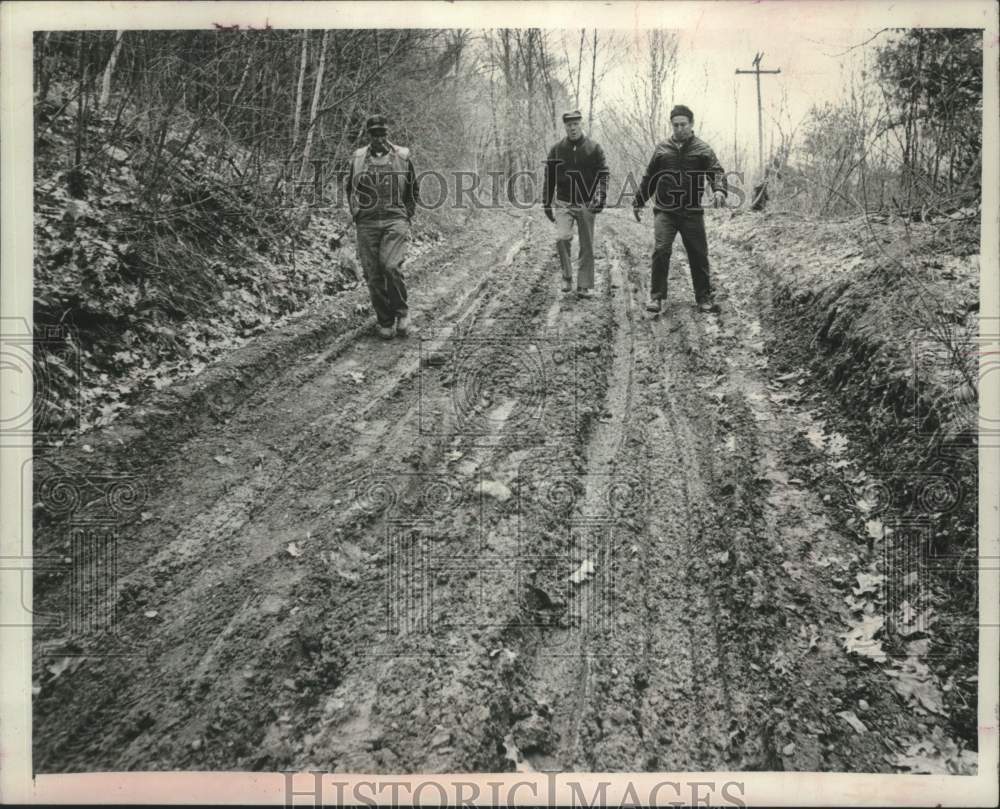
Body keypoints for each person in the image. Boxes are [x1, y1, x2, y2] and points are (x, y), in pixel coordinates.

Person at [632, 104, 728, 314]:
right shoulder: (662, 149)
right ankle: (656, 298)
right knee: (661, 250)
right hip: (665, 210)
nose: (679, 129)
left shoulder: (703, 149)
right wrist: (639, 201)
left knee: (698, 254)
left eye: (683, 124)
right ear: (671, 125)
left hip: (692, 211)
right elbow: (649, 177)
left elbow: (716, 171)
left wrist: (719, 189)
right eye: (675, 125)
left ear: (691, 124)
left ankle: (703, 298)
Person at [346, 114, 419, 339]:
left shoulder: (402, 157)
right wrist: (356, 211)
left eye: (382, 133)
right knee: (373, 274)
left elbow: (413, 190)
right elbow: (350, 189)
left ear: (388, 134)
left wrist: (406, 215)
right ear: (369, 135)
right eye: (374, 134)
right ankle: (385, 320)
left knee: (390, 266)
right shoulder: (358, 158)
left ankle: (402, 313)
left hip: (394, 220)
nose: (379, 138)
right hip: (366, 222)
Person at [543, 110, 609, 299]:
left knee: (587, 244)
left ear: (581, 124)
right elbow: (549, 177)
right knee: (562, 237)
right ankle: (567, 276)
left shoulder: (594, 148)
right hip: (563, 202)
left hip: (586, 202)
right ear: (565, 127)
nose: (572, 128)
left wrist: (601, 196)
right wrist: (546, 202)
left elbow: (604, 174)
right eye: (569, 125)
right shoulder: (557, 149)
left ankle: (584, 285)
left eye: (575, 124)